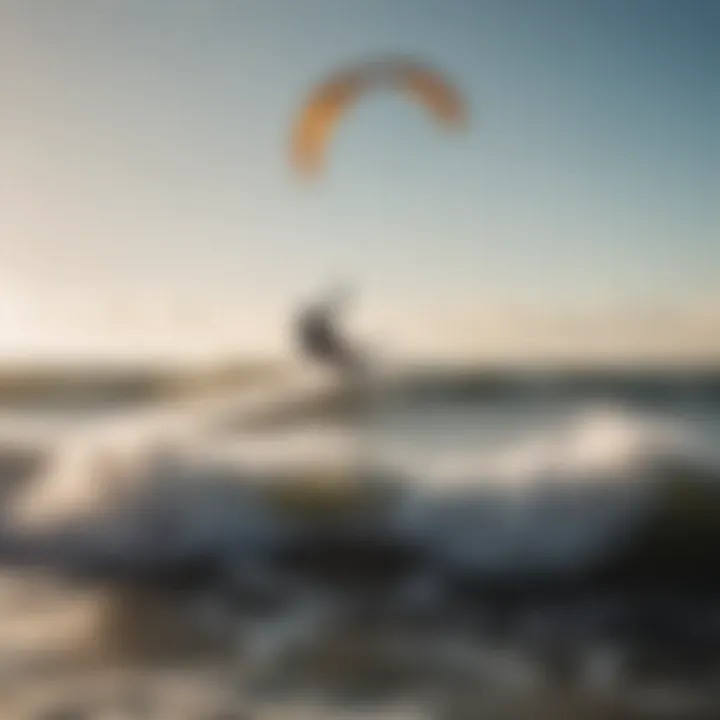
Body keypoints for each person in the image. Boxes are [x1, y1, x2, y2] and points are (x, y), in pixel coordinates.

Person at [295, 286, 362, 375]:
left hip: (323, 347)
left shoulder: (318, 321)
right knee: (345, 358)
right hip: (320, 347)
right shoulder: (315, 323)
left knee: (348, 356)